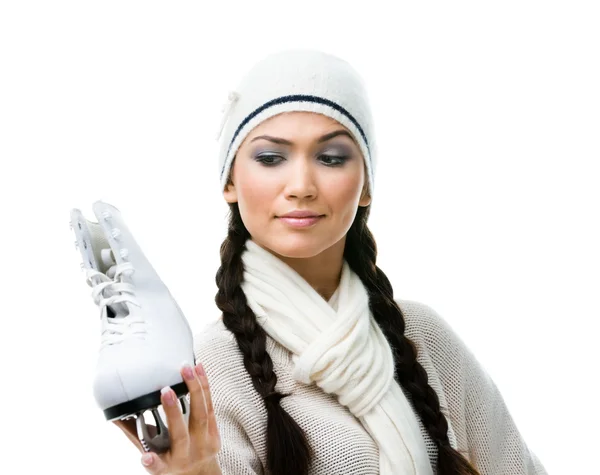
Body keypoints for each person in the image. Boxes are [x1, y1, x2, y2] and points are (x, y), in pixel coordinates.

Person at [115, 49, 547, 475]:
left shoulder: (423, 335)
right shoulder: (215, 365)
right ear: (230, 180)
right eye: (270, 158)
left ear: (366, 186)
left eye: (331, 158)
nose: (301, 185)